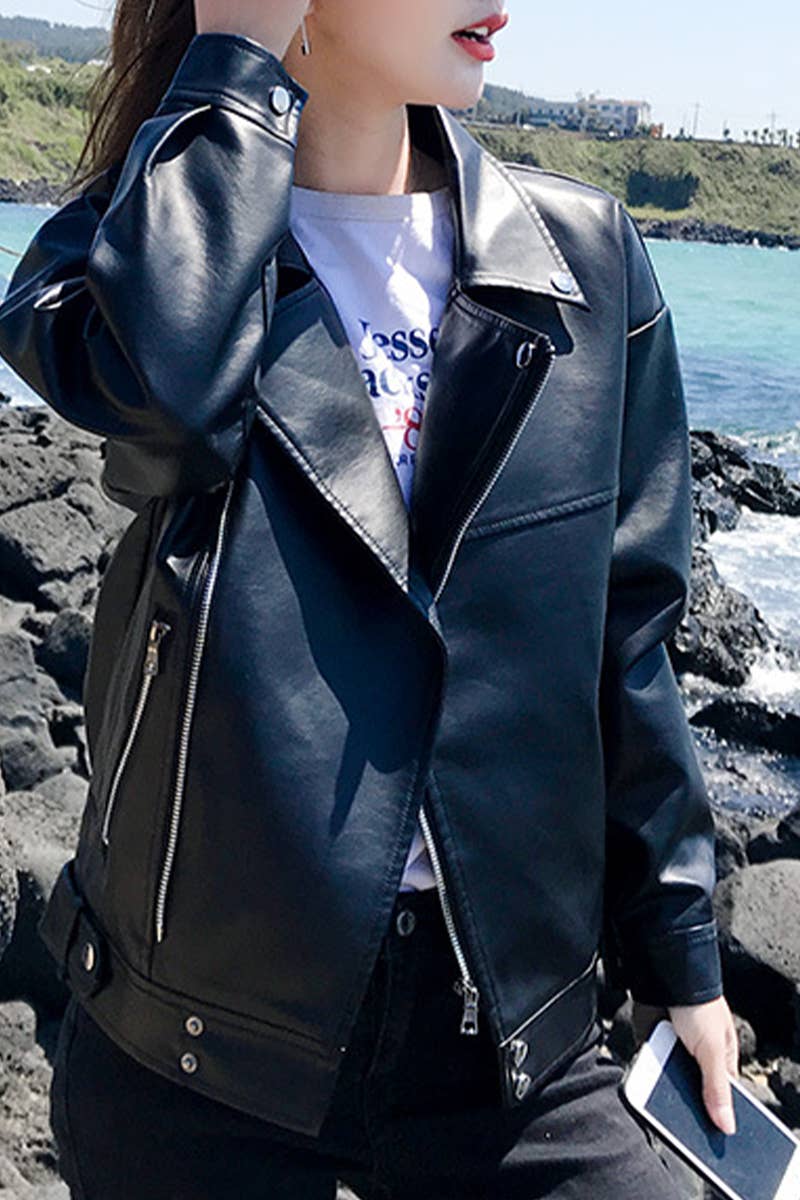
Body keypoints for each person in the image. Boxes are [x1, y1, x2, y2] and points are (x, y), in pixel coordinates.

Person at [0, 1, 740, 1196]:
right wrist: (236, 55)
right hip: (197, 1050)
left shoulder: (582, 257)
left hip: (506, 1048)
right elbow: (167, 394)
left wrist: (680, 960)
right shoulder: (142, 247)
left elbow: (628, 632)